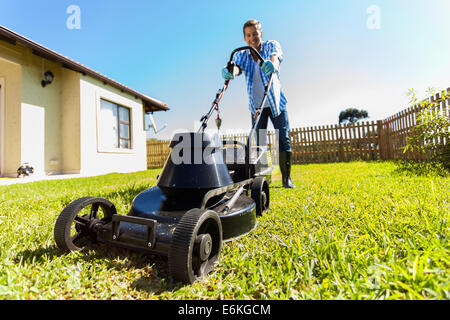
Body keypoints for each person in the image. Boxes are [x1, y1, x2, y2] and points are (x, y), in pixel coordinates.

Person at [222, 19, 295, 188]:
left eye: (255, 33)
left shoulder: (271, 45)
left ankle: (286, 178)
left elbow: (276, 57)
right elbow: (237, 68)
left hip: (276, 103)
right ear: (244, 38)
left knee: (283, 139)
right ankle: (264, 179)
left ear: (260, 33)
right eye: (248, 35)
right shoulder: (242, 54)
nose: (252, 38)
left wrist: (273, 64)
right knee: (260, 143)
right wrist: (230, 71)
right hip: (257, 107)